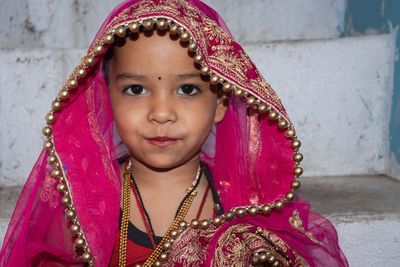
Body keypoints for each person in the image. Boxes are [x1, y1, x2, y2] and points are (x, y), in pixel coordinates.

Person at [0, 0, 348, 266]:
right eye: (136, 90)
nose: (161, 114)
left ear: (222, 101)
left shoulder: (249, 219)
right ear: (107, 100)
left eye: (188, 90)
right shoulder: (78, 209)